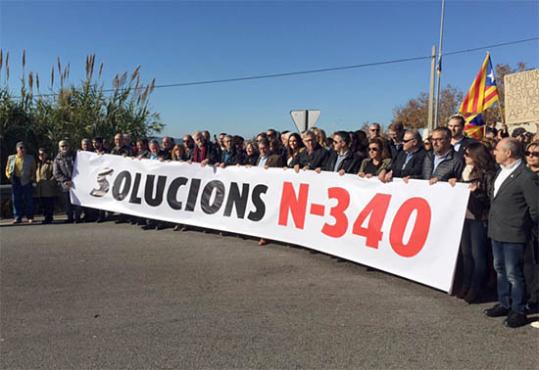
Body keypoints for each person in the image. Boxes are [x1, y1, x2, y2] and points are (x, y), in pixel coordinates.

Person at [484, 138, 538, 328]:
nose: (494, 152)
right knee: (500, 269)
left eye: (498, 149)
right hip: (497, 231)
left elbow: (535, 208)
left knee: (514, 273)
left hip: (515, 233)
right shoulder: (501, 172)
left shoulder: (526, 176)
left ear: (508, 153)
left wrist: (527, 228)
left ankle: (518, 310)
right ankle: (505, 302)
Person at [456, 142, 497, 303]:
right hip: (465, 216)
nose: (464, 157)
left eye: (467, 154)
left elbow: (489, 199)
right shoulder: (465, 171)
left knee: (478, 255)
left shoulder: (488, 173)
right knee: (466, 254)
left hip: (479, 218)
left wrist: (477, 192)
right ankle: (465, 284)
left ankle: (476, 287)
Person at [524, 140, 539, 313]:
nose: (531, 157)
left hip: (536, 225)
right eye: (528, 153)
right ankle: (528, 295)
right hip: (522, 227)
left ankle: (535, 299)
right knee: (526, 264)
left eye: (535, 154)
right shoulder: (522, 174)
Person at [5, 142, 36, 224]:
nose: (22, 150)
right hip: (16, 180)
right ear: (17, 149)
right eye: (21, 148)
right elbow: (7, 169)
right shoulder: (11, 158)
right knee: (16, 200)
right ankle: (17, 217)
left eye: (24, 148)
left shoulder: (30, 158)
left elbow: (33, 169)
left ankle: (30, 217)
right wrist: (9, 177)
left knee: (28, 200)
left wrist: (32, 178)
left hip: (26, 180)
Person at [53, 140, 81, 223]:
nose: (64, 147)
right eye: (62, 146)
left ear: (69, 146)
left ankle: (78, 217)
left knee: (77, 201)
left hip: (76, 182)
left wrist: (76, 179)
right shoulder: (57, 159)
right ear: (59, 148)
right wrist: (65, 180)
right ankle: (70, 217)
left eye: (66, 145)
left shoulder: (76, 155)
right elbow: (56, 173)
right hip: (65, 184)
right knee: (67, 202)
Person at [35, 148, 58, 224]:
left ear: (46, 154)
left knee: (49, 204)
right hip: (40, 188)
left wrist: (51, 182)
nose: (40, 156)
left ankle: (49, 217)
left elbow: (55, 174)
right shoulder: (38, 164)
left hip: (48, 188)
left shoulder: (51, 163)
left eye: (42, 154)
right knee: (43, 204)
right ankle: (46, 217)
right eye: (39, 154)